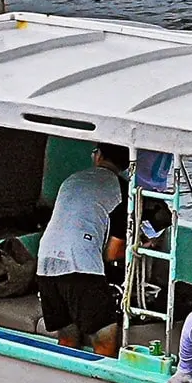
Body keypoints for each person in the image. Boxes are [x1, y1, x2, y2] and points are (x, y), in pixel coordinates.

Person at [37, 144, 127, 356]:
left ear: (98, 156)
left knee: (67, 336)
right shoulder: (121, 189)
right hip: (80, 266)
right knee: (105, 337)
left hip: (45, 263)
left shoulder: (72, 179)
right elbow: (113, 253)